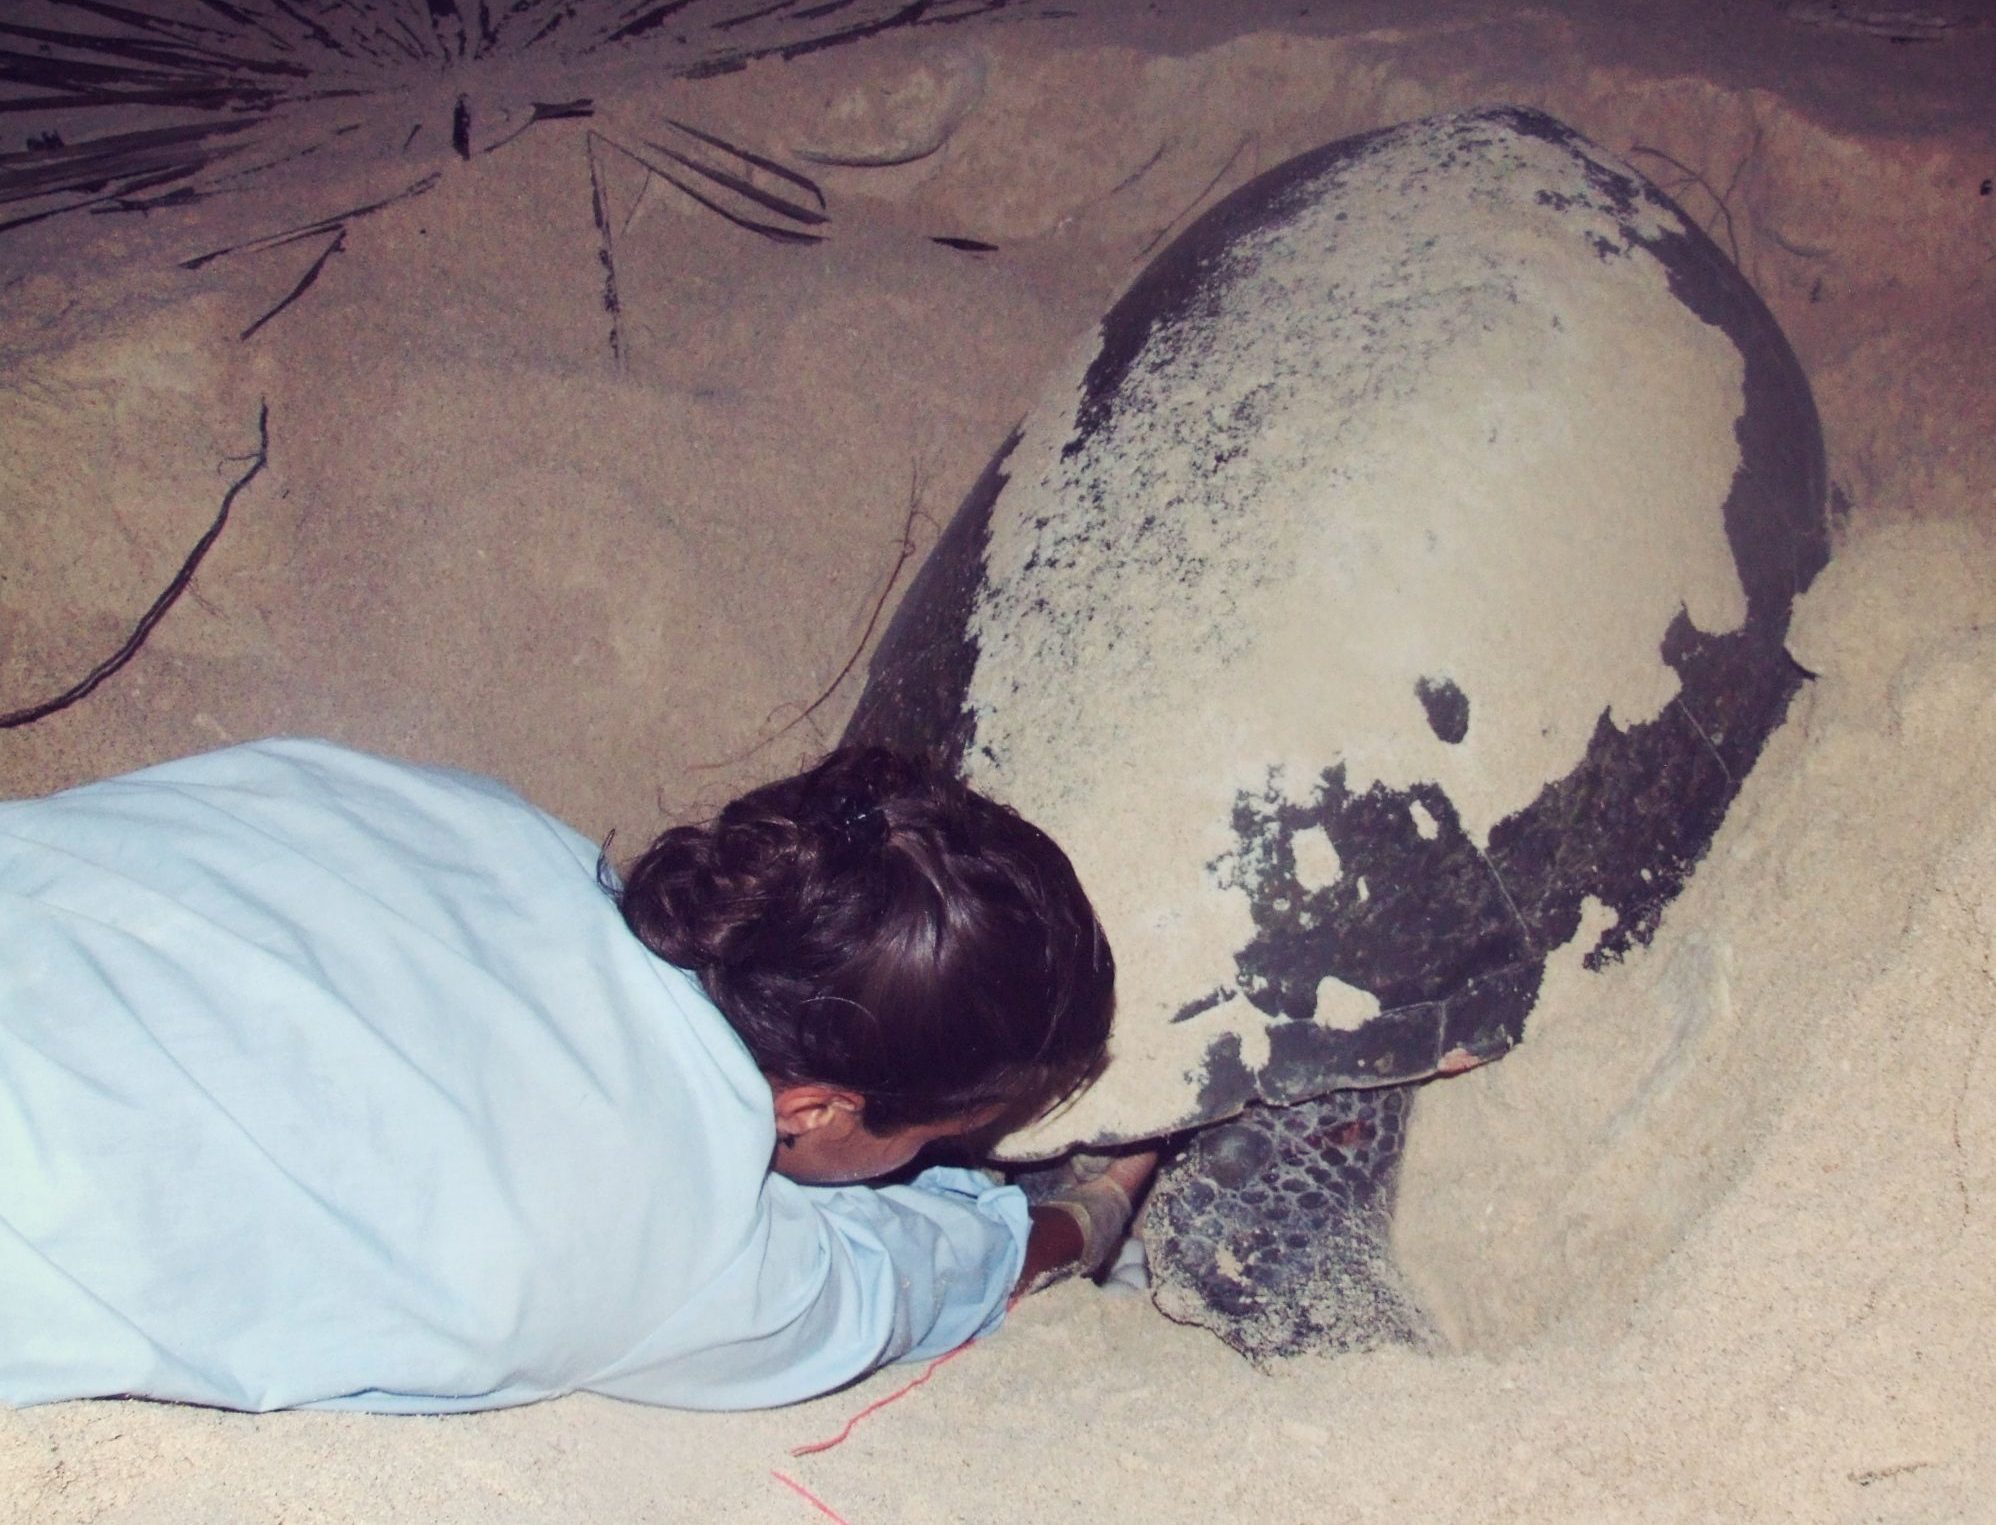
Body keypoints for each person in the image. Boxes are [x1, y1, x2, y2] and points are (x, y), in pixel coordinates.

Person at [0, 738, 1154, 1413]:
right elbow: (917, 1278)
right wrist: (1087, 1212)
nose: (937, 1154)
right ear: (811, 1105)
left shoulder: (465, 815)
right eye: (944, 1130)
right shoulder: (670, 1246)